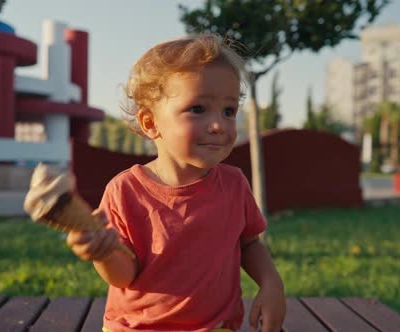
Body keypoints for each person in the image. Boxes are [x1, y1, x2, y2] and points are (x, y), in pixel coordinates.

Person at [66, 33, 286, 332]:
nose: (219, 124)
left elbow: (249, 243)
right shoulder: (125, 191)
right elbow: (124, 277)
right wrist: (102, 253)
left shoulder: (234, 184)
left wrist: (272, 284)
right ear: (150, 123)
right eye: (198, 109)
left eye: (229, 110)